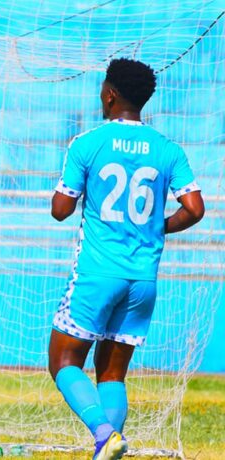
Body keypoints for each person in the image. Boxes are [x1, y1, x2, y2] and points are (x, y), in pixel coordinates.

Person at [48, 58, 205, 460]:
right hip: (143, 280)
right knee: (112, 373)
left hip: (98, 273)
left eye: (103, 87)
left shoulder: (88, 143)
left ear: (111, 94)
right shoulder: (168, 149)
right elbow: (195, 208)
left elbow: (61, 210)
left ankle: (104, 434)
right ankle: (107, 447)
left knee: (63, 361)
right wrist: (156, 227)